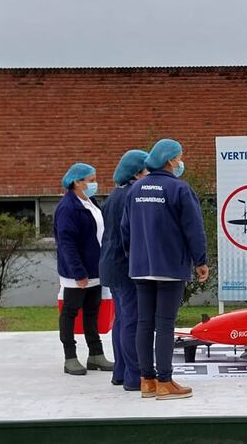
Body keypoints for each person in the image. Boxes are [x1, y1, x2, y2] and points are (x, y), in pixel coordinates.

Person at [121, 139, 209, 400]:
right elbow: (194, 229)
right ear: (170, 160)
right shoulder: (179, 189)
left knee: (144, 323)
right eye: (180, 157)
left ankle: (146, 380)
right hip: (169, 266)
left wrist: (134, 257)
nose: (181, 162)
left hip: (140, 266)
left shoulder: (135, 190)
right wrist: (200, 261)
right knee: (165, 324)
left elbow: (126, 230)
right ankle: (165, 381)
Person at [54, 162, 114, 375]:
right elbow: (67, 243)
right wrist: (78, 272)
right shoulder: (68, 208)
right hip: (77, 274)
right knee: (70, 313)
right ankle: (70, 357)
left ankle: (95, 354)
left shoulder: (90, 202)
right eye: (90, 181)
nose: (94, 184)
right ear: (77, 182)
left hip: (95, 270)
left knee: (92, 312)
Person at [99, 149, 148, 391]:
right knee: (132, 320)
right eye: (147, 169)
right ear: (137, 172)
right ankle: (134, 376)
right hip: (125, 267)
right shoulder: (133, 194)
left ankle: (120, 372)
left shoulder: (114, 195)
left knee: (120, 320)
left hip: (110, 265)